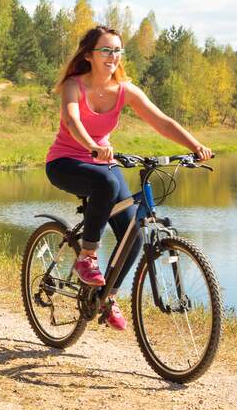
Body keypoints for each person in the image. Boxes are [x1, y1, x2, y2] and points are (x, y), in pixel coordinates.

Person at [45, 24, 213, 329]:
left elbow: (161, 121)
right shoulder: (74, 85)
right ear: (89, 55)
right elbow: (71, 119)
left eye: (117, 50)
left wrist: (195, 145)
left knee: (135, 230)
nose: (113, 56)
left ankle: (107, 297)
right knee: (107, 182)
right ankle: (87, 256)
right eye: (106, 50)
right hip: (66, 162)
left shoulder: (125, 90)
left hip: (102, 163)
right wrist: (93, 147)